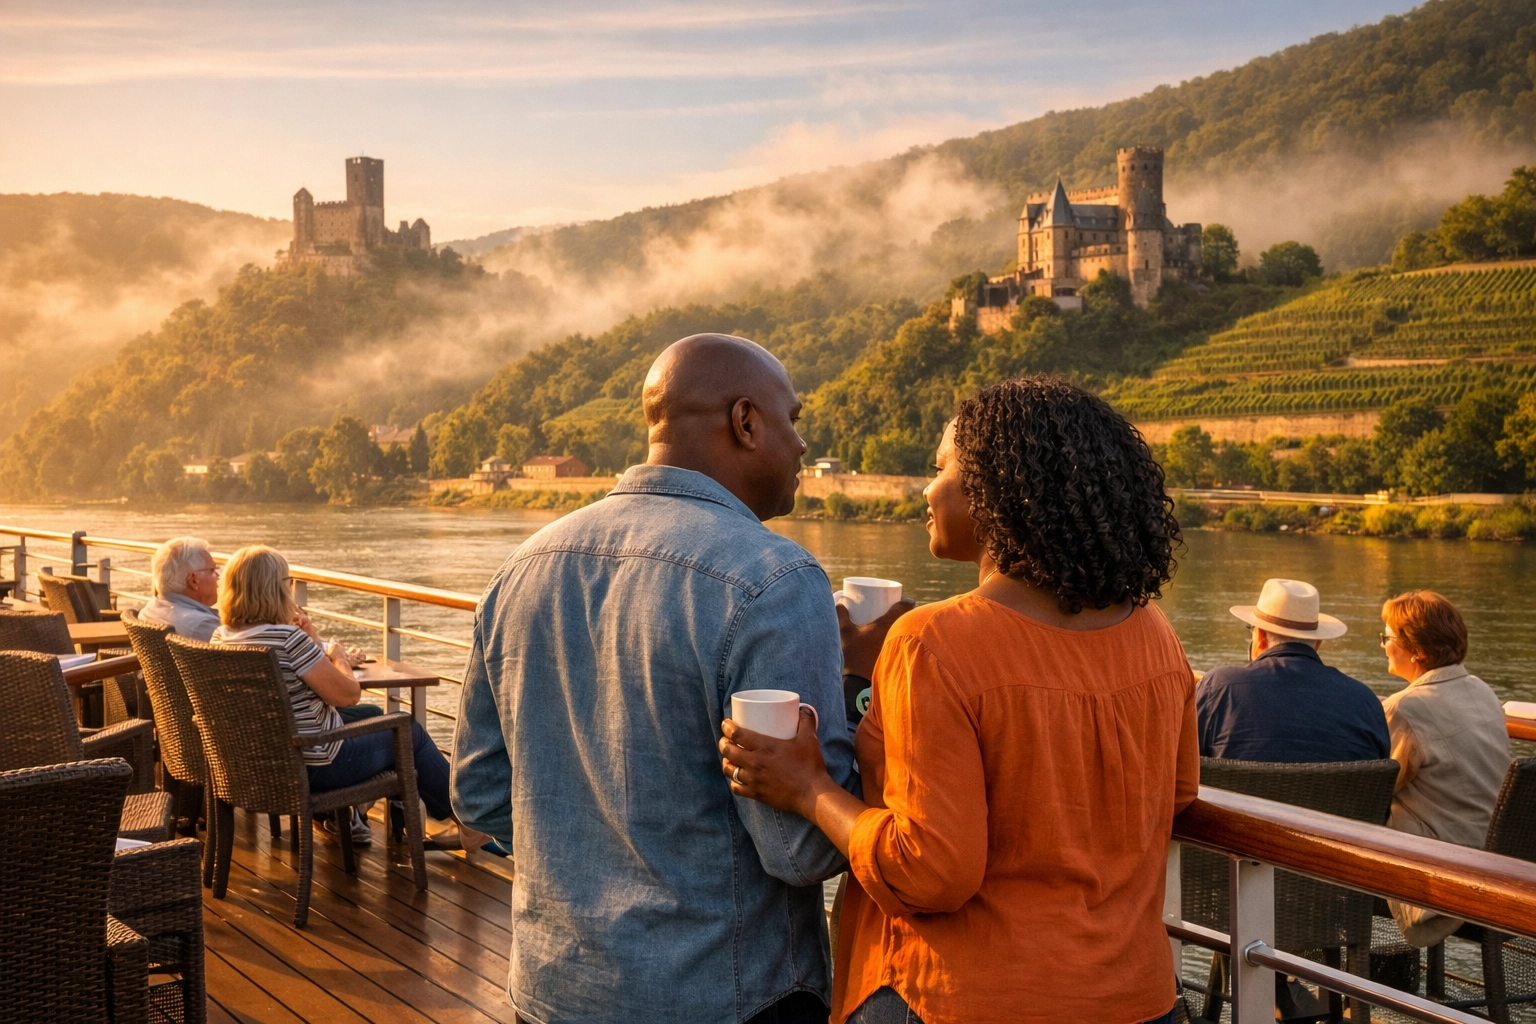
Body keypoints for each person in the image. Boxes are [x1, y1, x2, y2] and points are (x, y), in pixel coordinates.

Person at [721, 376, 1199, 1024]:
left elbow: (929, 873)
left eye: (940, 467)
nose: (926, 489)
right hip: (1137, 998)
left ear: (996, 487)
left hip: (962, 998)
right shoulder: (1155, 635)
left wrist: (807, 787)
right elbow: (1173, 798)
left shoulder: (933, 642)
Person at [451, 334, 886, 1024]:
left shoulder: (522, 568)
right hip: (727, 994)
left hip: (555, 988)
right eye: (793, 419)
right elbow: (797, 851)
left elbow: (476, 796)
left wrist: (586, 858)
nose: (803, 446)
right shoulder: (774, 580)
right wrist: (868, 686)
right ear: (746, 422)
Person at [211, 545, 468, 849]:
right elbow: (348, 695)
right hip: (314, 766)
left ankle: (369, 817)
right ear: (275, 590)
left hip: (254, 764)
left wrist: (313, 642)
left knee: (379, 718)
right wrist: (338, 656)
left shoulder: (221, 637)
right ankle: (468, 821)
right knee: (408, 730)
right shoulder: (288, 639)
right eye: (287, 583)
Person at [1380, 590, 1510, 947]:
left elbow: (1372, 789)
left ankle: (1343, 988)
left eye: (1387, 637)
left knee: (1328, 876)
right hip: (1498, 865)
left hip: (1446, 878)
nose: (1383, 646)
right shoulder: (1482, 691)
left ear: (1417, 650)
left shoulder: (1405, 708)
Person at [1197, 578, 1389, 762]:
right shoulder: (1366, 702)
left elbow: (1183, 761)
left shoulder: (1219, 688)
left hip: (1232, 797)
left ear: (1261, 637)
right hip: (1335, 797)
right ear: (1318, 643)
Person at [139, 536, 222, 641]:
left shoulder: (150, 609)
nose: (218, 576)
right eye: (213, 570)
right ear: (193, 580)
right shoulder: (203, 626)